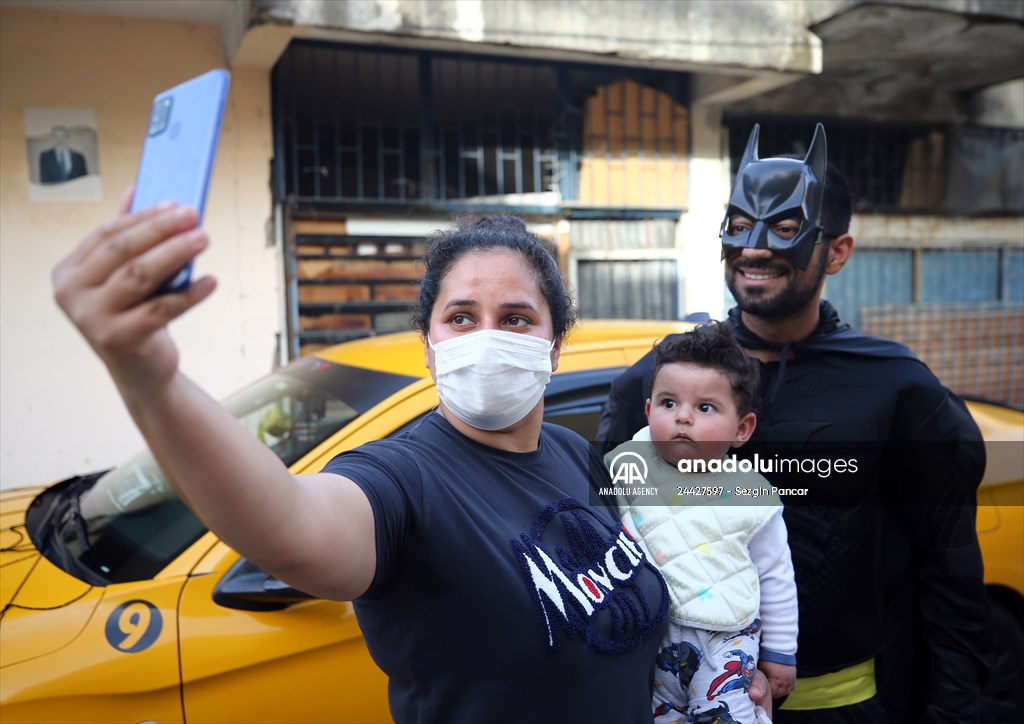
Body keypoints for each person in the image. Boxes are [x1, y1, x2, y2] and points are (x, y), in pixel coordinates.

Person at [53, 201, 782, 721]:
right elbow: (291, 524)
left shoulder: (569, 452)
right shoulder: (405, 482)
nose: (488, 336)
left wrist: (730, 670)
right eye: (462, 317)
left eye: (518, 319)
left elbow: (685, 556)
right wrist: (150, 375)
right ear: (431, 343)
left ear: (554, 347)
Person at [597, 124, 991, 723]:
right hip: (677, 699)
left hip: (842, 706)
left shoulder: (895, 387)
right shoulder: (657, 383)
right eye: (739, 226)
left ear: (837, 250)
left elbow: (950, 564)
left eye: (786, 229)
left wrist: (955, 712)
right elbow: (604, 539)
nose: (755, 248)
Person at [608, 323, 797, 723]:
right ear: (647, 410)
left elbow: (776, 574)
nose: (683, 418)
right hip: (649, 639)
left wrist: (780, 654)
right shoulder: (624, 467)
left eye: (705, 408)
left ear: (742, 428)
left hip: (727, 639)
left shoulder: (751, 493)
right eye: (669, 403)